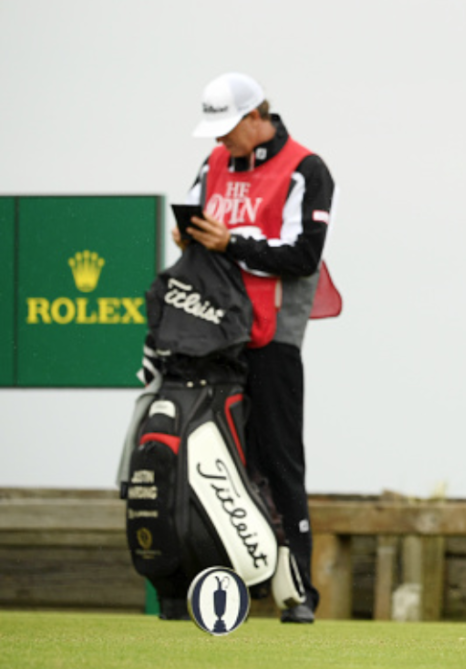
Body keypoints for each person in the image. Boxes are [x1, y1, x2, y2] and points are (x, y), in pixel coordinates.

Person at [177, 72, 337, 623]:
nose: (220, 143)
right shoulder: (214, 164)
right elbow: (207, 224)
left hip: (273, 339)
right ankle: (209, 587)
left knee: (279, 462)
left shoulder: (306, 167)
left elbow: (303, 255)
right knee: (210, 460)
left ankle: (299, 594)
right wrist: (194, 235)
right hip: (211, 332)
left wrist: (232, 242)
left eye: (227, 130)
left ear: (255, 118)